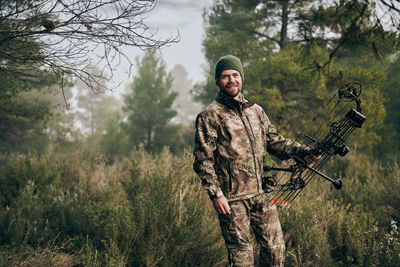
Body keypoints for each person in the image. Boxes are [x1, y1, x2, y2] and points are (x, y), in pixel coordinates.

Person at [193, 55, 315, 267]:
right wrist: (216, 194)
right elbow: (203, 160)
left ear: (241, 78)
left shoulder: (255, 111)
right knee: (242, 258)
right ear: (218, 81)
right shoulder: (209, 116)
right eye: (225, 76)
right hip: (232, 200)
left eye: (235, 75)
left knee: (276, 252)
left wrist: (303, 151)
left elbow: (275, 142)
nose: (231, 80)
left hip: (263, 195)